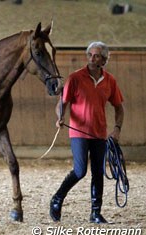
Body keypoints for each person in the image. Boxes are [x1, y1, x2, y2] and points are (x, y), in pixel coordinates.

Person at [50, 41, 124, 224]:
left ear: (104, 60)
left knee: (98, 172)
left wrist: (116, 129)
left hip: (99, 134)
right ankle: (57, 198)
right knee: (80, 170)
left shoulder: (110, 81)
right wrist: (60, 117)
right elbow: (62, 104)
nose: (92, 58)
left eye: (97, 55)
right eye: (90, 55)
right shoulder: (75, 78)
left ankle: (95, 212)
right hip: (78, 133)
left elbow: (119, 108)